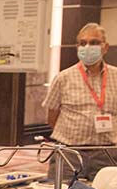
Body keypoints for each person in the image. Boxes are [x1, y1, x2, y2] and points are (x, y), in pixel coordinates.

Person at [43, 22, 117, 180]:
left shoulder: (116, 77)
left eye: (94, 42)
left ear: (105, 47)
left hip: (106, 153)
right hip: (70, 152)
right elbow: (51, 116)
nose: (87, 47)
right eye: (83, 43)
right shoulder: (63, 77)